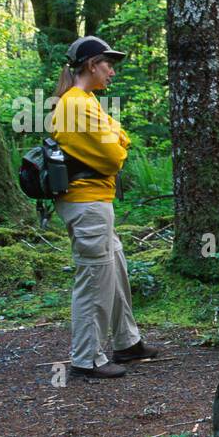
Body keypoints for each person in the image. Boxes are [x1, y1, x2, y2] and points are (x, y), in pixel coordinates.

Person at [49, 36, 160, 379]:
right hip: (87, 204)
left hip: (94, 201)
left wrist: (117, 135)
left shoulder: (86, 100)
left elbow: (119, 136)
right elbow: (115, 156)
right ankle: (86, 359)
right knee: (94, 280)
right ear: (91, 65)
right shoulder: (77, 105)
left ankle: (127, 342)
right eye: (108, 63)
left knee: (115, 268)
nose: (112, 71)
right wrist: (117, 138)